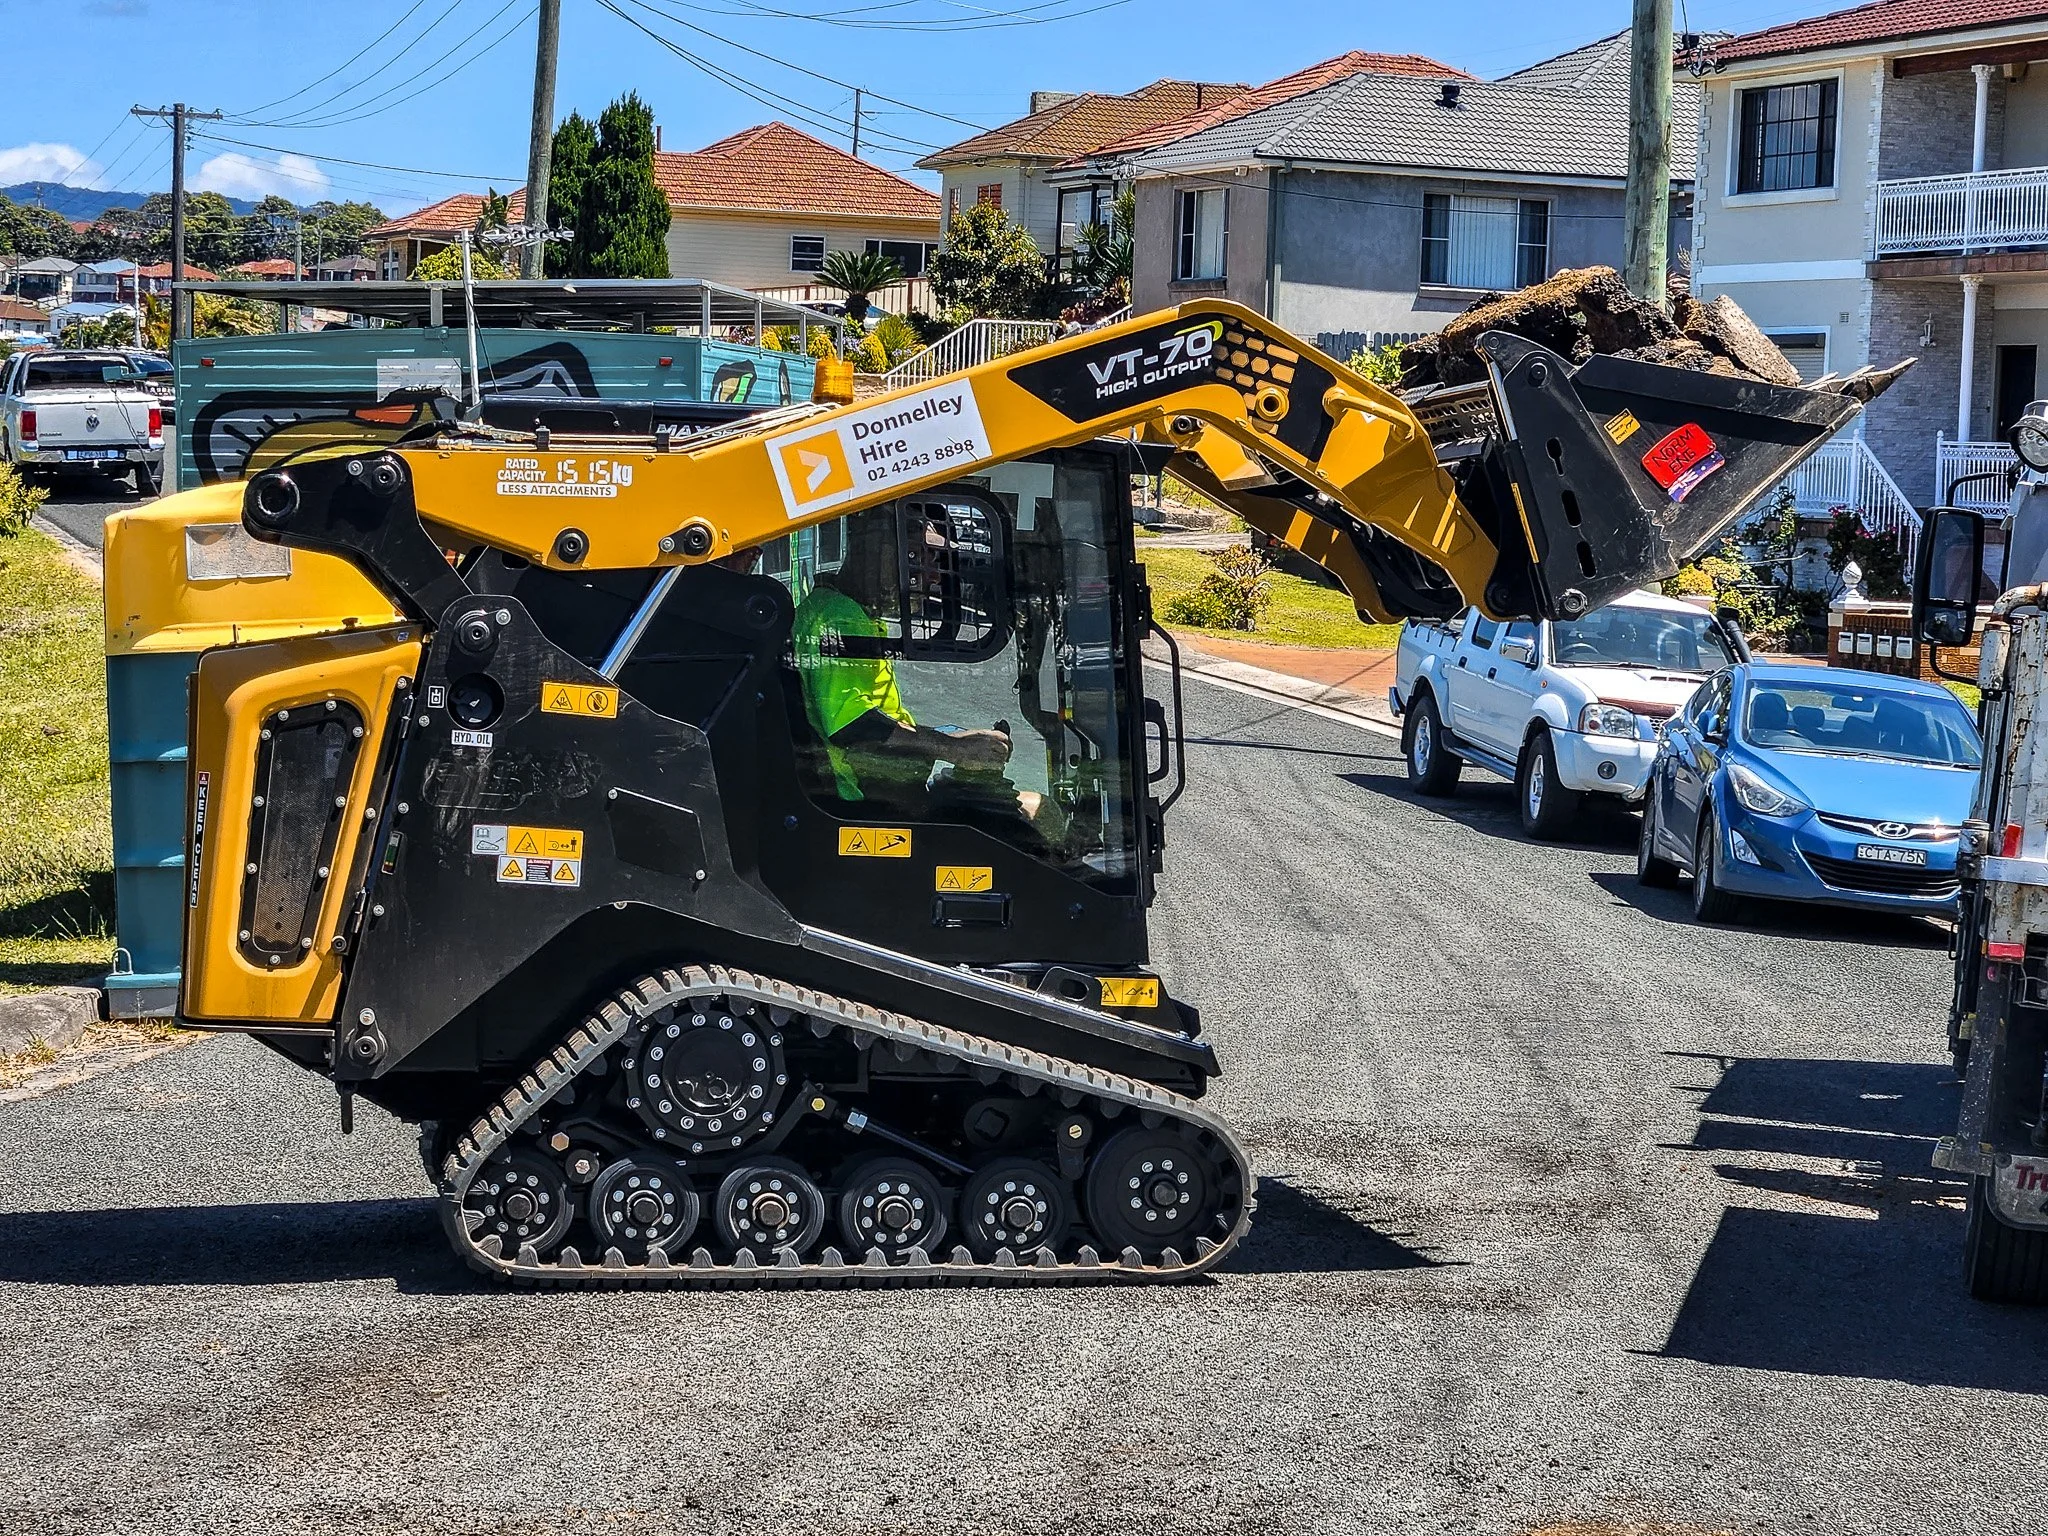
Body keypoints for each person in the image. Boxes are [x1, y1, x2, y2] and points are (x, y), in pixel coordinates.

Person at [791, 511, 1011, 806]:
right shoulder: (839, 619)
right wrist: (952, 748)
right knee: (1039, 814)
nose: (932, 576)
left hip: (884, 780)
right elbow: (852, 725)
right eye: (915, 556)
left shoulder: (847, 609)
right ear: (873, 551)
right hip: (863, 795)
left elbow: (880, 717)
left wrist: (957, 739)